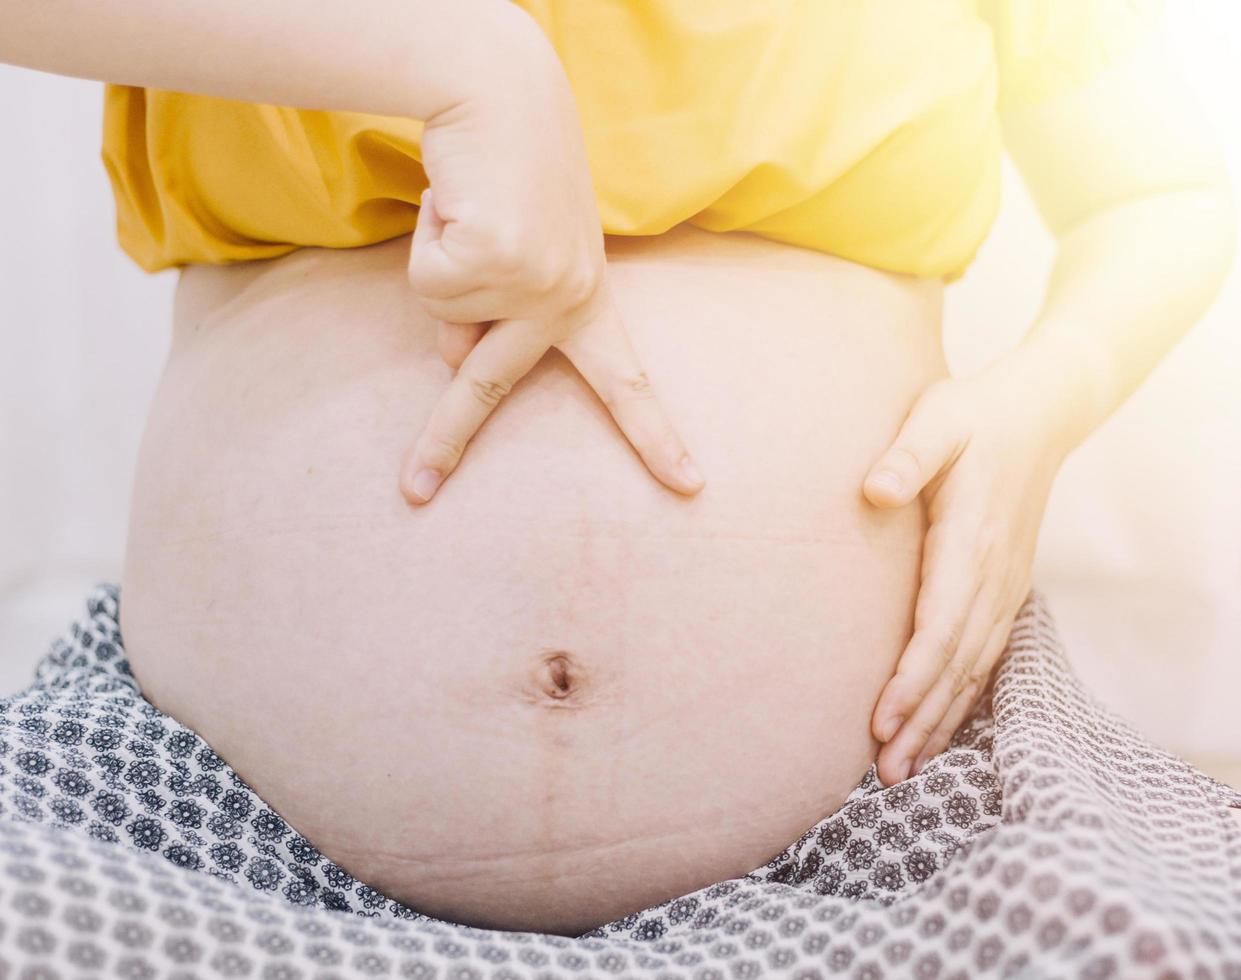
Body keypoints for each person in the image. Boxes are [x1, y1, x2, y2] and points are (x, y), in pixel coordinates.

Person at [2, 0, 1238, 961]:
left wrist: (1049, 391)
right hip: (189, 826)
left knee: (1152, 948)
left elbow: (1164, 185)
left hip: (887, 830)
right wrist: (460, 58)